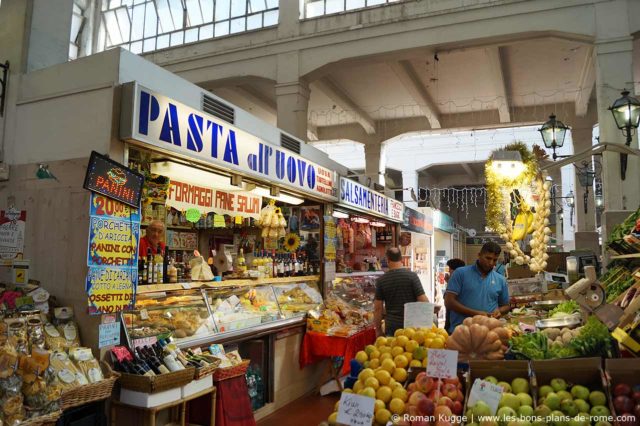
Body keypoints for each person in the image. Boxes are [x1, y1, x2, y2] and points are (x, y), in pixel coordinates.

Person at [444, 242, 510, 334]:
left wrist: (499, 310)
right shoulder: (460, 273)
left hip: (489, 333)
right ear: (479, 255)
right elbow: (449, 302)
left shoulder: (500, 279)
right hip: (461, 332)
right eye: (488, 258)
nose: (491, 263)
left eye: (495, 260)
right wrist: (476, 313)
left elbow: (506, 306)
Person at [374, 247, 429, 337]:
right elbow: (424, 301)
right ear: (401, 259)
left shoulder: (381, 280)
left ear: (388, 260)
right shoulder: (412, 276)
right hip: (411, 326)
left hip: (392, 326)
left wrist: (378, 330)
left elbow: (377, 309)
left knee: (393, 350)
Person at [443, 258, 466, 332]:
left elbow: (448, 300)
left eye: (450, 269)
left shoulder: (460, 282)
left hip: (455, 321)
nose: (449, 271)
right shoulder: (455, 281)